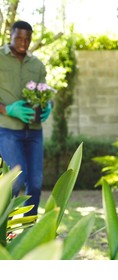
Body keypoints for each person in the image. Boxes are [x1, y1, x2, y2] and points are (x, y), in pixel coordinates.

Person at [0, 21, 52, 216]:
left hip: (34, 131)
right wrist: (7, 110)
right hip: (7, 130)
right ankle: (5, 227)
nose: (23, 42)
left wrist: (48, 106)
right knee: (15, 181)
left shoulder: (37, 65)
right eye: (19, 37)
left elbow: (43, 91)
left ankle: (29, 230)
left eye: (27, 38)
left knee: (36, 183)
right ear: (11, 36)